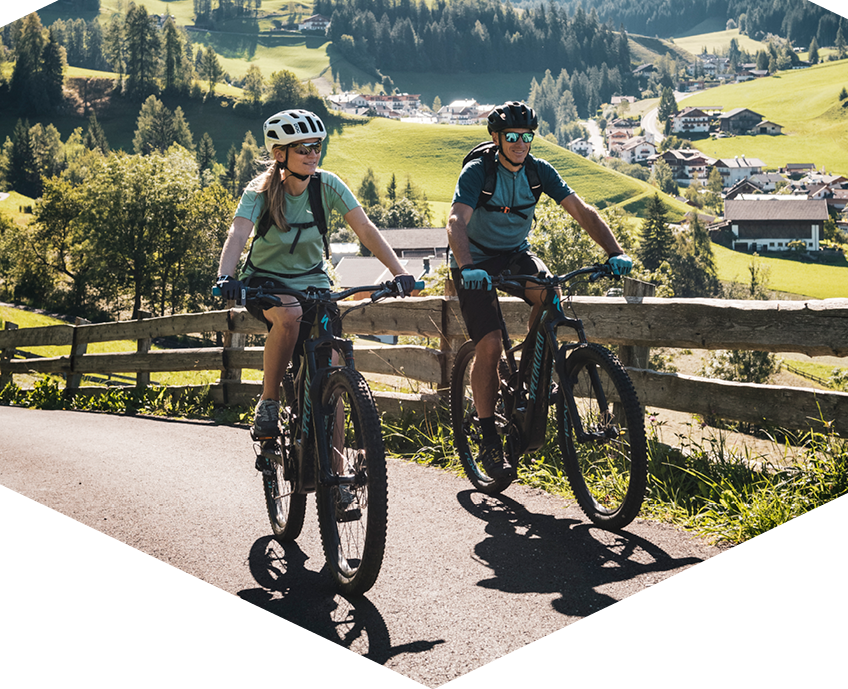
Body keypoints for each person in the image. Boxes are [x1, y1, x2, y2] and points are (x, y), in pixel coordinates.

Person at [446, 101, 632, 482]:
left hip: (514, 255)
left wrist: (615, 252)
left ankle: (529, 373)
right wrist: (467, 268)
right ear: (496, 138)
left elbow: (583, 212)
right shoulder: (478, 172)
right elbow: (455, 222)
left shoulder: (538, 172)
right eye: (512, 137)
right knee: (491, 346)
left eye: (526, 136)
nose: (520, 143)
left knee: (551, 294)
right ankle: (488, 441)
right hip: (475, 262)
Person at [216, 109, 415, 438]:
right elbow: (237, 234)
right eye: (303, 148)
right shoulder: (259, 191)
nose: (312, 154)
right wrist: (226, 276)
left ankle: (337, 482)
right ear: (280, 154)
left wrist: (400, 272)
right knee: (290, 314)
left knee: (331, 361)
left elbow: (365, 229)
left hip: (313, 283)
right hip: (266, 282)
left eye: (317, 147)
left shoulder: (328, 186)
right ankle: (268, 402)